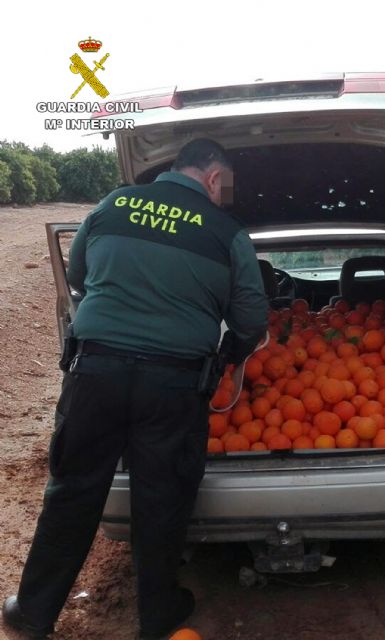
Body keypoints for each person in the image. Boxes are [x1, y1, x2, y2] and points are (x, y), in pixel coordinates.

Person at [2, 138, 268, 639]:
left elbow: (80, 275)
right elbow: (251, 317)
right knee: (162, 496)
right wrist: (229, 346)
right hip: (172, 384)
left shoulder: (112, 204)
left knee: (72, 490)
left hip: (95, 373)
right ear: (214, 178)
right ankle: (158, 614)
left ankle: (33, 612)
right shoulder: (227, 231)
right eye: (224, 186)